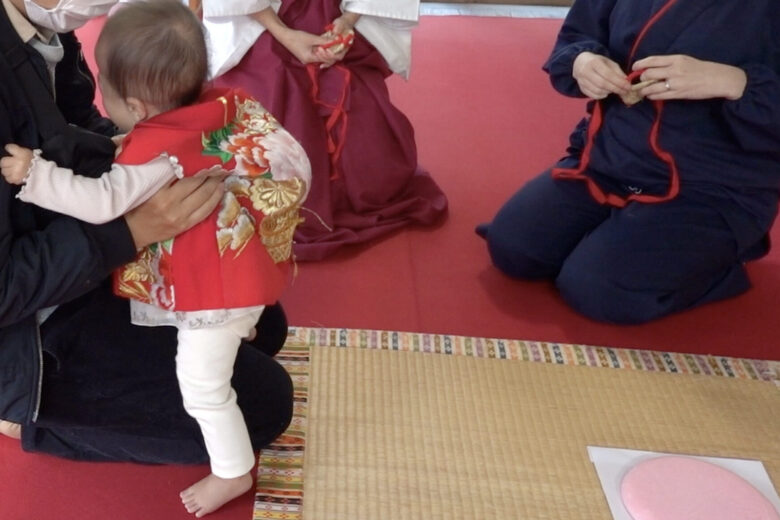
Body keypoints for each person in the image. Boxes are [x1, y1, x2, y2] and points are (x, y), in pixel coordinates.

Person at [1, 1, 310, 517]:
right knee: (263, 399)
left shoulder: (45, 30)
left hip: (77, 249)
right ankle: (25, 416)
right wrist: (135, 225)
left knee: (266, 328)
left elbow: (84, 133)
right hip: (25, 319)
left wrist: (127, 155)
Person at [477, 0, 780, 324]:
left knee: (596, 288)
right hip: (612, 157)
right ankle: (619, 238)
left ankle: (724, 260)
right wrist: (583, 62)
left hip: (714, 184)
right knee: (515, 249)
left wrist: (735, 82)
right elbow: (579, 34)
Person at [200, 0, 448, 260]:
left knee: (369, 156)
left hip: (334, 12)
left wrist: (348, 22)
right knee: (270, 110)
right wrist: (285, 35)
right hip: (263, 20)